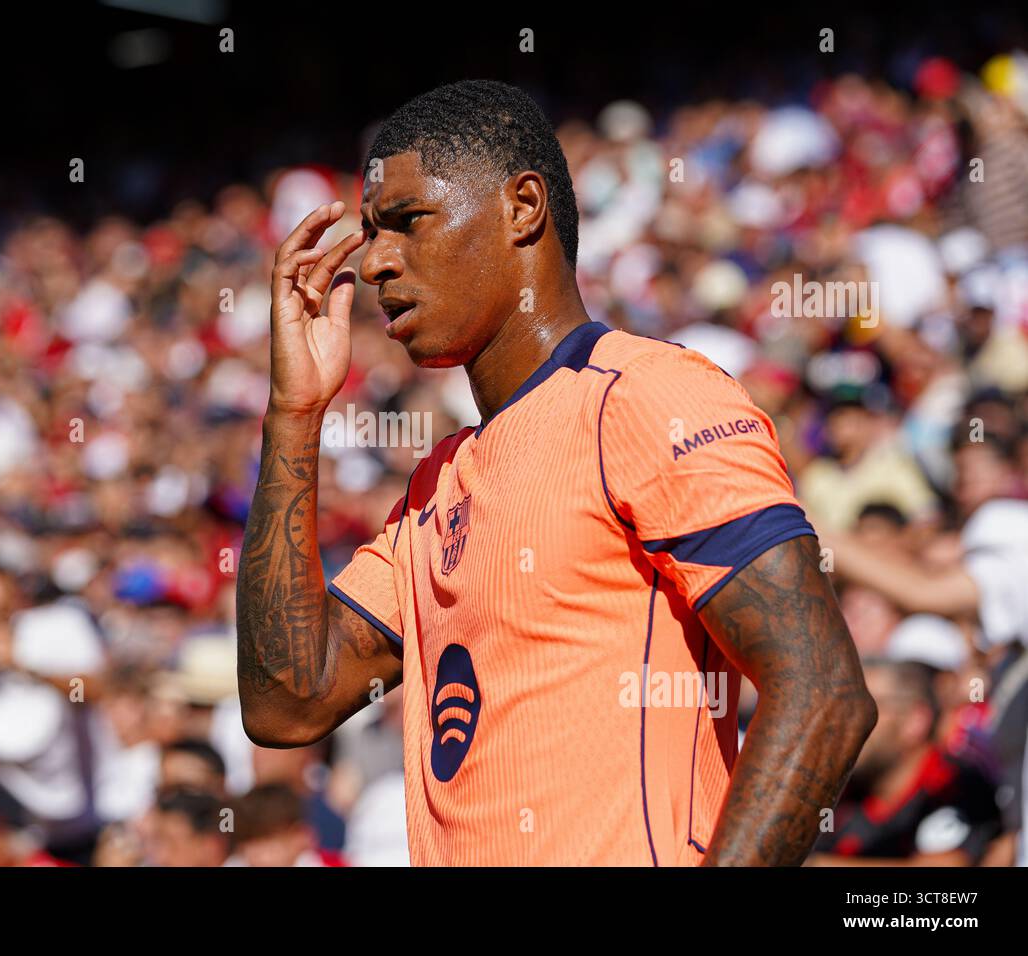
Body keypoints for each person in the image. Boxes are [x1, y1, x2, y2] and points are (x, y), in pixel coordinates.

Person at [236, 79, 876, 865]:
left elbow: (824, 693)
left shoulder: (646, 395)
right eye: (370, 233)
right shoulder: (438, 482)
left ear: (523, 206)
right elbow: (288, 703)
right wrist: (293, 415)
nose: (373, 263)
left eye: (406, 222)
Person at [809, 659, 1002, 865]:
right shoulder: (836, 794)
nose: (848, 722)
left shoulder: (953, 785)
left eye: (866, 706)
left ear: (915, 720)